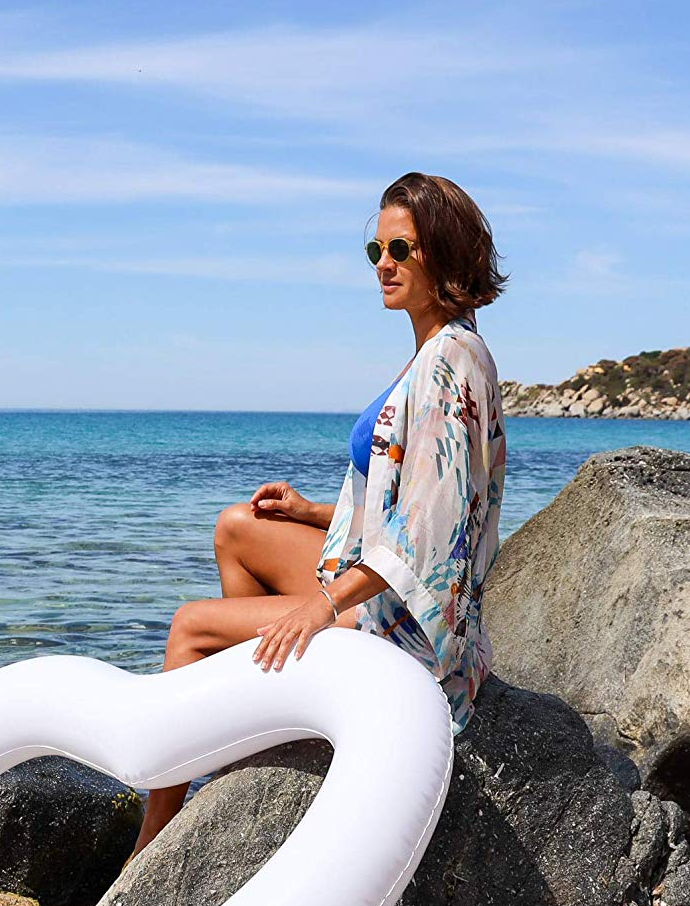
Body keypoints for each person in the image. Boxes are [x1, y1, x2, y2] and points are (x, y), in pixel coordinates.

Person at [129, 171, 508, 856]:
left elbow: (431, 535)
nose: (382, 265)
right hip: (384, 591)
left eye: (400, 250)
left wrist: (321, 607)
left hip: (410, 631)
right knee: (239, 530)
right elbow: (407, 497)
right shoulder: (434, 353)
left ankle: (153, 843)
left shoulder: (451, 365)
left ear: (444, 256)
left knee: (190, 629)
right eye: (376, 252)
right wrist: (310, 510)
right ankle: (264, 722)